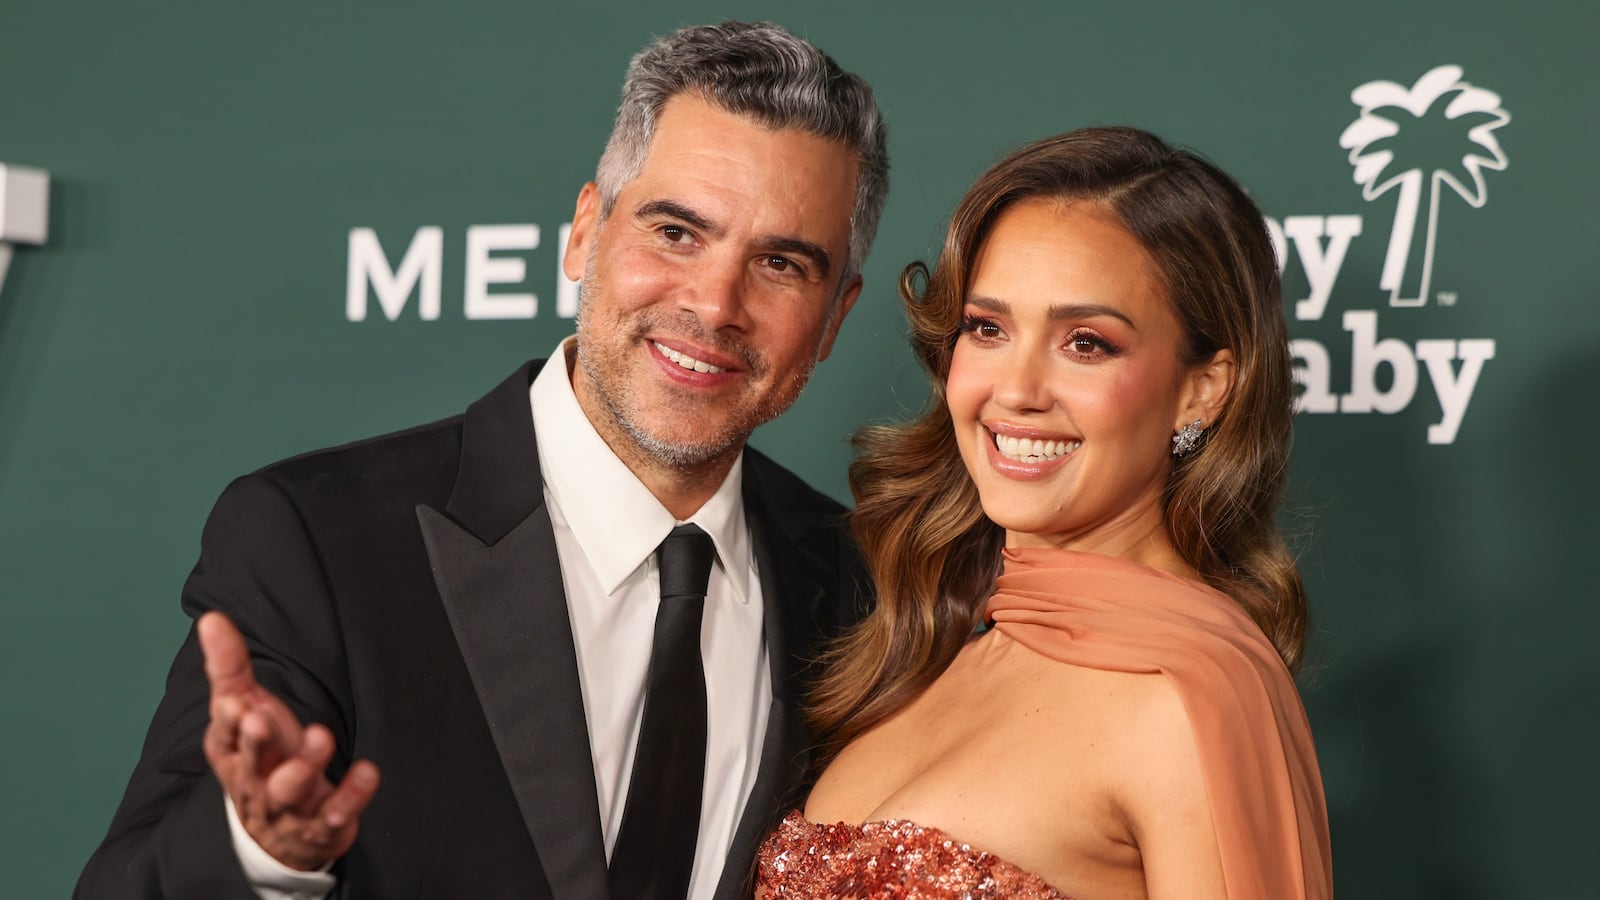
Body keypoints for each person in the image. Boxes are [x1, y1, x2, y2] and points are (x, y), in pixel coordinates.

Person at [76, 21, 888, 900]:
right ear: (585, 233)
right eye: (678, 233)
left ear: (836, 317)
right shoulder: (316, 538)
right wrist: (265, 850)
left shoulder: (863, 589)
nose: (714, 303)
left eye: (779, 264)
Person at [755, 127, 1332, 899]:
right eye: (987, 329)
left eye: (1086, 343)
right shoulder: (933, 651)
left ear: (1203, 389)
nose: (1017, 389)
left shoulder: (1191, 696)